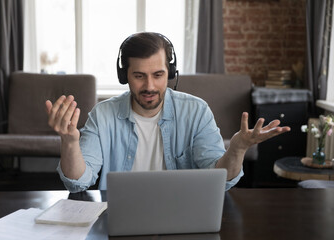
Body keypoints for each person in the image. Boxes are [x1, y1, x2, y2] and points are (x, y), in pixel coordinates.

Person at [45, 32, 290, 193]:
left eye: (158, 75)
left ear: (170, 73)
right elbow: (77, 182)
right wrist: (69, 142)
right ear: (124, 76)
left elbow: (221, 179)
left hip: (184, 211)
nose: (149, 86)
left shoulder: (196, 111)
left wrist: (237, 149)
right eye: (139, 76)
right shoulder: (103, 115)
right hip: (119, 213)